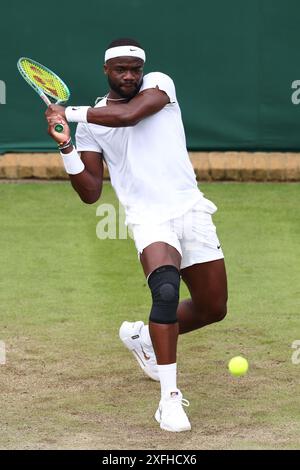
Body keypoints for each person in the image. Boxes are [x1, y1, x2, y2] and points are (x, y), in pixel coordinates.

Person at [45, 38, 228, 433]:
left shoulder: (159, 85)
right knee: (165, 292)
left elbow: (129, 115)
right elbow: (91, 191)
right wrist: (66, 146)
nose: (129, 76)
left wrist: (71, 113)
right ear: (106, 71)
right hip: (149, 219)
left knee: (213, 307)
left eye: (134, 69)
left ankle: (144, 338)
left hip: (191, 209)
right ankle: (169, 400)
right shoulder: (93, 124)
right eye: (120, 69)